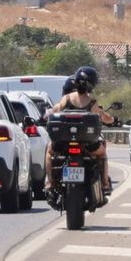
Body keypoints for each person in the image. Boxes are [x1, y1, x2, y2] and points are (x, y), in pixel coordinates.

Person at [47, 66, 117, 196]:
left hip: (65, 143)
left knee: (50, 151)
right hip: (87, 144)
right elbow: (104, 118)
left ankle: (50, 181)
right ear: (92, 85)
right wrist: (113, 120)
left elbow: (56, 111)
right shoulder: (92, 102)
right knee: (102, 154)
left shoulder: (66, 99)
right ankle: (105, 183)